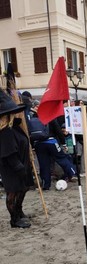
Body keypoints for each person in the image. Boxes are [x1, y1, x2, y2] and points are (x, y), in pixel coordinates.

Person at [0, 89, 32, 228]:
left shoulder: (14, 127)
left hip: (22, 164)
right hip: (12, 167)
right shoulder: (5, 132)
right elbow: (8, 152)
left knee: (23, 189)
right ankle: (14, 220)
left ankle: (19, 212)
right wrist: (19, 167)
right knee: (13, 192)